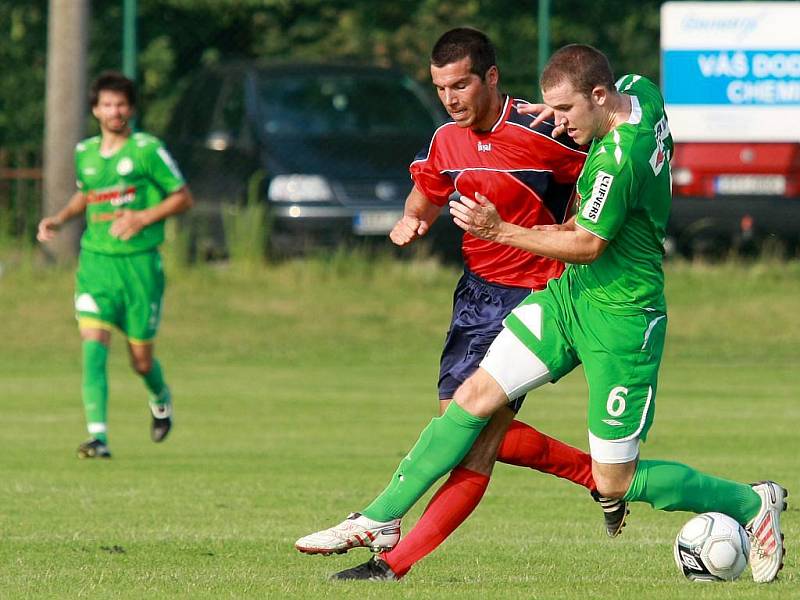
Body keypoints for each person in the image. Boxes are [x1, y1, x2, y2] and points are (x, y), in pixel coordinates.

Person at [296, 44, 787, 583]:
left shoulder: (616, 159)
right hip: (567, 299)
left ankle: (750, 503)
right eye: (552, 111)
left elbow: (586, 244)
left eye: (567, 112)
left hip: (621, 317)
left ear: (599, 98)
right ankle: (379, 518)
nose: (559, 124)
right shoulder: (641, 93)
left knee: (615, 480)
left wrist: (498, 230)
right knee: (472, 399)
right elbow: (612, 94)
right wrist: (554, 109)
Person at [295, 28, 628, 581]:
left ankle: (388, 550)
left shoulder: (546, 128)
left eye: (461, 84)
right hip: (475, 295)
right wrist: (414, 217)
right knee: (468, 429)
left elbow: (607, 159)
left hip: (534, 293)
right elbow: (427, 189)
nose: (450, 98)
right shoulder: (446, 139)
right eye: (440, 87)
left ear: (491, 77)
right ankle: (597, 477)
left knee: (468, 430)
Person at [37, 71, 193, 459]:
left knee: (140, 360)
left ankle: (160, 398)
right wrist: (59, 218)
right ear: (95, 109)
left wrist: (143, 217)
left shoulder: (146, 149)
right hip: (96, 265)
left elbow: (183, 198)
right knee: (93, 346)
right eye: (107, 104)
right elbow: (86, 197)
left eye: (121, 104)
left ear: (131, 109)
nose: (114, 111)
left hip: (140, 267)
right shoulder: (85, 153)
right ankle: (98, 437)